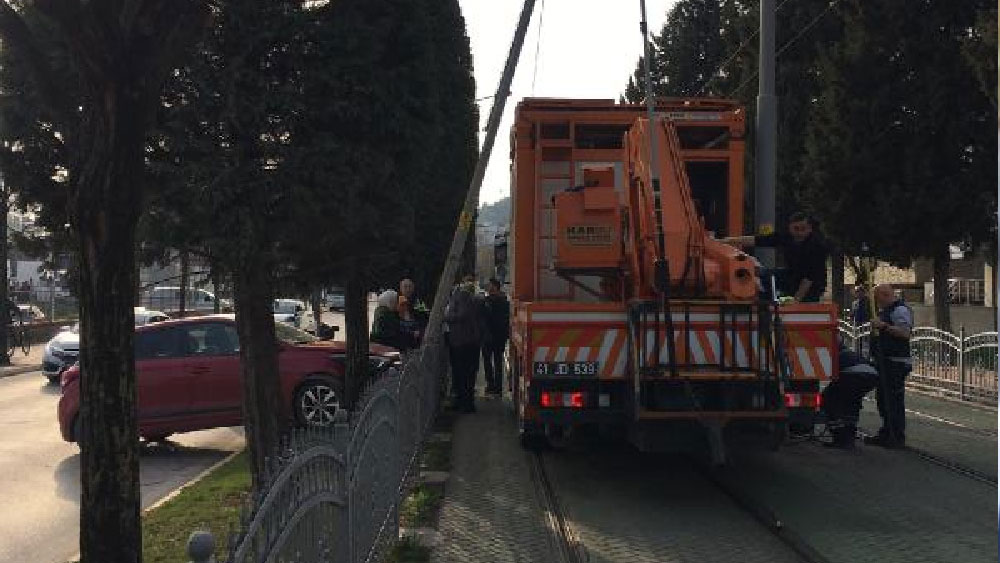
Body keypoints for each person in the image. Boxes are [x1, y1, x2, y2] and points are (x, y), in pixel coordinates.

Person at [724, 212, 830, 302]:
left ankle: (779, 300)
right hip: (793, 275)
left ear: (810, 229)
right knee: (763, 274)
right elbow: (757, 240)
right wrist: (726, 241)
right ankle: (766, 302)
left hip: (813, 286)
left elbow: (809, 278)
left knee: (805, 292)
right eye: (796, 229)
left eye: (803, 229)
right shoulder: (786, 237)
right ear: (790, 227)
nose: (799, 233)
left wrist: (796, 300)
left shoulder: (816, 246)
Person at [864, 284, 913, 448]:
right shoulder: (887, 310)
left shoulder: (899, 310)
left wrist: (883, 326)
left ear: (885, 295)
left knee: (892, 400)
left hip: (895, 362)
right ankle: (887, 431)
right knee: (883, 400)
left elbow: (905, 333)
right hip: (885, 361)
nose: (878, 304)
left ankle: (896, 435)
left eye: (878, 300)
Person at [821, 343, 879, 449]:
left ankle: (839, 438)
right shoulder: (850, 353)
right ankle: (849, 438)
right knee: (852, 403)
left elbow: (831, 377)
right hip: (872, 375)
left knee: (830, 400)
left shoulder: (833, 355)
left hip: (853, 375)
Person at [444, 275, 484, 413]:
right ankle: (467, 402)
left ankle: (463, 403)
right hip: (471, 341)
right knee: (469, 373)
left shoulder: (460, 296)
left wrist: (447, 317)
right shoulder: (476, 299)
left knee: (461, 373)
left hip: (460, 342)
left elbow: (461, 314)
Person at [480, 278, 510, 397]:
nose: (489, 288)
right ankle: (491, 384)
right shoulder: (487, 301)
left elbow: (505, 320)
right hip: (488, 335)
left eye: (491, 286)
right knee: (488, 361)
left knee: (497, 362)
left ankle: (497, 386)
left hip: (497, 336)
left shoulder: (502, 302)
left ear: (496, 288)